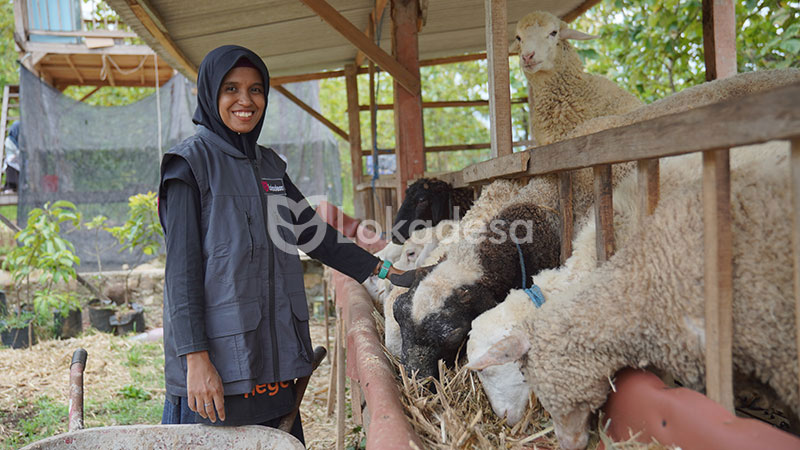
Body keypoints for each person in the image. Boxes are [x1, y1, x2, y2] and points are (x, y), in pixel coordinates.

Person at [157, 45, 402, 444]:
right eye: (231, 89)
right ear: (209, 94)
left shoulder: (269, 166)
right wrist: (196, 360)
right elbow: (181, 276)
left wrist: (387, 270)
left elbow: (314, 234)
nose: (245, 101)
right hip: (218, 368)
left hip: (270, 361)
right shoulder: (189, 165)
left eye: (256, 90)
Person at [2, 121, 21, 193]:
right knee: (10, 163)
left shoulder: (21, 138)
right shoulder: (9, 140)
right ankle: (10, 187)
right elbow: (11, 151)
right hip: (12, 159)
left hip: (20, 159)